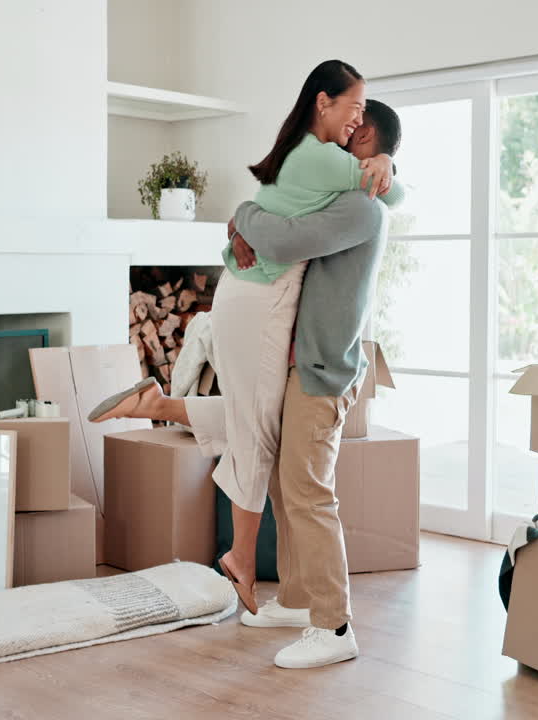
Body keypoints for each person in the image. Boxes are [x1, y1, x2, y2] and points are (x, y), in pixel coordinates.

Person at [90, 97, 403, 669]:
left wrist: (242, 214)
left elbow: (281, 240)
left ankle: (334, 627)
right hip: (300, 362)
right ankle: (301, 598)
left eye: (354, 138)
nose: (339, 144)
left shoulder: (362, 208)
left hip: (321, 371)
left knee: (308, 492)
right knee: (284, 480)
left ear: (373, 150)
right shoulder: (347, 196)